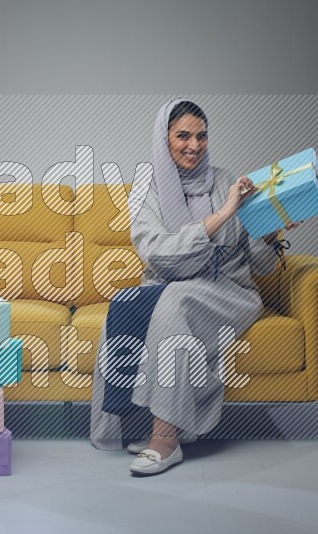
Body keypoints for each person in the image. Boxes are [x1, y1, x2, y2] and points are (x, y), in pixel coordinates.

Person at [89, 99, 295, 476]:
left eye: (201, 136)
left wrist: (270, 229)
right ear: (163, 139)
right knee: (125, 305)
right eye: (182, 136)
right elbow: (160, 256)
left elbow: (261, 266)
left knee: (174, 302)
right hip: (166, 286)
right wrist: (222, 216)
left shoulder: (225, 181)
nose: (194, 146)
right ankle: (130, 426)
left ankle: (165, 439)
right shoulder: (148, 193)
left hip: (228, 292)